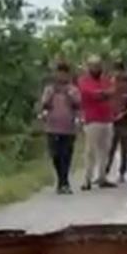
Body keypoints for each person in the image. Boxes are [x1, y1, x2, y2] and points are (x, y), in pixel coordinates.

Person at [39, 61, 82, 194]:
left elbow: (78, 104)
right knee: (55, 154)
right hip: (52, 126)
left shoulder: (73, 89)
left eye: (64, 73)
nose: (61, 76)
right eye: (59, 73)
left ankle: (65, 182)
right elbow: (43, 104)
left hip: (68, 127)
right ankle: (60, 180)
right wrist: (50, 95)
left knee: (66, 154)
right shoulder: (49, 89)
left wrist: (69, 95)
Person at [77, 55, 117, 190]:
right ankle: (87, 180)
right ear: (88, 67)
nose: (96, 68)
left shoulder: (105, 80)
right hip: (92, 120)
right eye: (93, 65)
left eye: (98, 65)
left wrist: (103, 93)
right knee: (90, 151)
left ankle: (102, 177)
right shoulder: (83, 81)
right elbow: (92, 94)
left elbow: (112, 91)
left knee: (105, 150)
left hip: (107, 119)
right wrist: (104, 93)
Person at [106, 60, 127, 184]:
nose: (116, 73)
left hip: (124, 119)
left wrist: (123, 113)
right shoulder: (110, 84)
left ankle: (122, 172)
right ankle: (106, 171)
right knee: (110, 147)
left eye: (118, 70)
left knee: (124, 147)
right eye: (115, 70)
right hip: (111, 119)